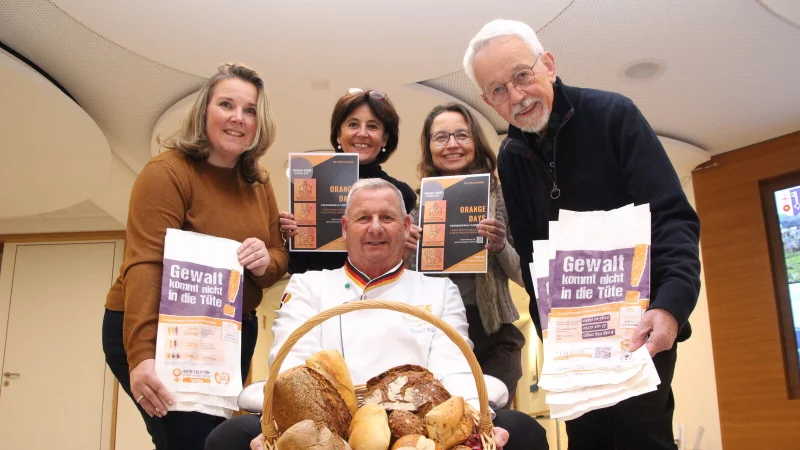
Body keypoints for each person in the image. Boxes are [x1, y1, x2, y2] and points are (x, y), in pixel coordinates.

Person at [463, 19, 702, 450]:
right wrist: (548, 334)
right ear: (487, 100)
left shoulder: (615, 116)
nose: (516, 96)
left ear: (549, 65)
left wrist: (671, 308)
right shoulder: (511, 158)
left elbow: (673, 218)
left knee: (640, 438)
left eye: (522, 75)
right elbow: (535, 259)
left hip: (640, 332)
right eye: (498, 90)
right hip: (573, 349)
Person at [204, 178, 548, 450]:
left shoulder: (439, 290)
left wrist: (475, 423)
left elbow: (453, 368)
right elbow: (294, 367)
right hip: (327, 422)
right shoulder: (309, 286)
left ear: (406, 224)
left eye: (387, 217)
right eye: (363, 218)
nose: (375, 228)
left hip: (418, 420)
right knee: (228, 438)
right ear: (344, 228)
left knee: (522, 431)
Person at [102, 63, 289, 450]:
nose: (239, 118)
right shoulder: (166, 173)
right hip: (160, 329)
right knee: (188, 439)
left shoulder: (260, 181)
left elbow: (277, 258)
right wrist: (141, 357)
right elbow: (144, 265)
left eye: (250, 110)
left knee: (211, 438)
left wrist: (263, 261)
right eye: (226, 104)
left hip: (229, 332)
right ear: (204, 111)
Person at [405, 103, 525, 406]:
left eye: (462, 135)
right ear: (429, 147)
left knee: (492, 423)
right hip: (434, 336)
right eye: (441, 137)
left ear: (476, 142)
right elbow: (401, 282)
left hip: (492, 332)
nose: (452, 144)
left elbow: (526, 277)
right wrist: (404, 249)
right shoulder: (418, 209)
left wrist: (500, 246)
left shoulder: (504, 197)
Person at [278, 89, 417, 273]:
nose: (362, 133)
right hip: (319, 297)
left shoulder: (401, 194)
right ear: (338, 135)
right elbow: (297, 266)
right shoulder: (313, 185)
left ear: (385, 138)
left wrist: (404, 247)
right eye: (353, 124)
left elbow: (398, 269)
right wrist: (291, 237)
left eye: (373, 126)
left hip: (374, 298)